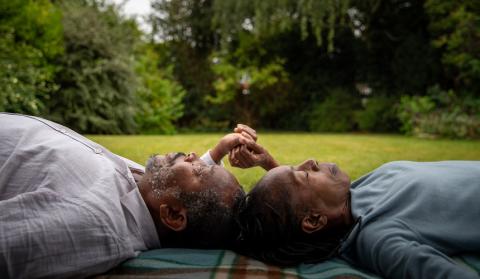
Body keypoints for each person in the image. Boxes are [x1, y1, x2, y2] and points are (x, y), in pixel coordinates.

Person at [0, 112, 253, 278]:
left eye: (199, 169)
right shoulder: (153, 194)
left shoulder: (94, 224)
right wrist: (217, 152)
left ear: (174, 215)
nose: (191, 156)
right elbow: (193, 195)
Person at [229, 140, 480, 279]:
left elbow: (300, 202)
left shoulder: (353, 194)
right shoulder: (378, 239)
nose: (311, 162)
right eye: (304, 173)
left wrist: (271, 164)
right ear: (315, 221)